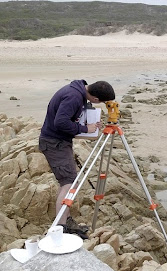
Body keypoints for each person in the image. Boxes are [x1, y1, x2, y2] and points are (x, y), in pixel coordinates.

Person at [39, 79, 116, 236]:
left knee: (69, 181)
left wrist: (89, 125)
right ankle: (61, 227)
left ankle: (65, 220)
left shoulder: (77, 90)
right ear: (95, 98)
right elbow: (60, 122)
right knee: (69, 182)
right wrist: (85, 128)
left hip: (58, 142)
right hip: (54, 143)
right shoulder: (74, 96)